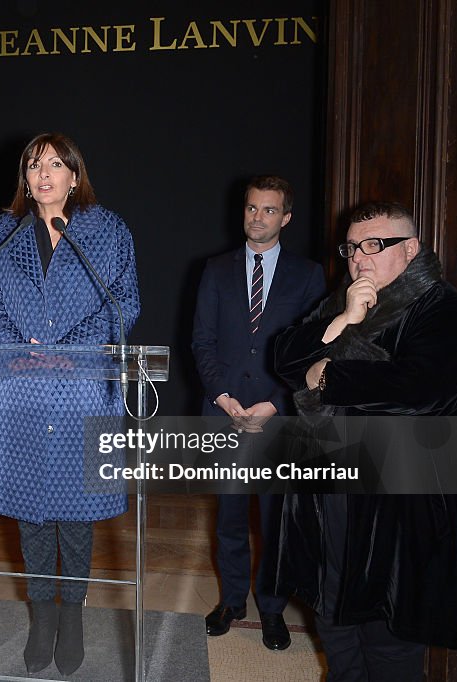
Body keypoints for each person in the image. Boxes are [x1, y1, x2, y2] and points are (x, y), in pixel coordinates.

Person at [274, 202, 457, 680]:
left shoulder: (442, 307)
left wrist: (327, 375)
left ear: (410, 249)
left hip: (397, 505)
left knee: (388, 639)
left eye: (375, 245)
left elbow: (424, 389)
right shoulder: (342, 301)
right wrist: (343, 321)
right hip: (332, 488)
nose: (359, 259)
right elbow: (286, 358)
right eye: (352, 248)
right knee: (334, 622)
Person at [0, 132, 140, 675]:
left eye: (56, 165)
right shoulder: (4, 229)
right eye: (35, 165)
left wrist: (72, 353)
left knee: (78, 513)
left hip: (80, 389)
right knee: (32, 514)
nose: (44, 174)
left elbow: (124, 301)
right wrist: (14, 349)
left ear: (75, 175)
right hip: (19, 385)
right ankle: (42, 617)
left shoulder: (107, 229)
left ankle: (74, 617)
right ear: (25, 177)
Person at [191, 175, 325, 649]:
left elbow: (311, 351)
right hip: (224, 413)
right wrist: (223, 396)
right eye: (251, 208)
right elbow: (202, 342)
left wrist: (274, 402)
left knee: (273, 522)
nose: (258, 218)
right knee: (228, 516)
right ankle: (231, 601)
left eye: (269, 210)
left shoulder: (308, 275)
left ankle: (271, 609)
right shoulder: (215, 269)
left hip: (277, 416)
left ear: (286, 217)